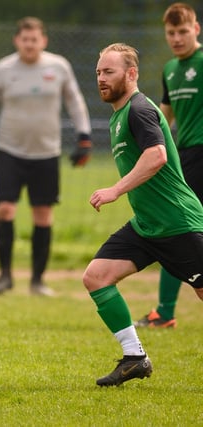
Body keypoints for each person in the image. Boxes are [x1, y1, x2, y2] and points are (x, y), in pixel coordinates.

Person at [87, 42, 203, 387]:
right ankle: (135, 357)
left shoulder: (138, 109)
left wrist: (115, 190)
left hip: (177, 223)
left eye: (109, 72)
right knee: (96, 277)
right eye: (98, 73)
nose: (101, 79)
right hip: (147, 227)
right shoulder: (119, 115)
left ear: (131, 73)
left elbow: (157, 156)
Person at [0, 16, 92, 296]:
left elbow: (75, 102)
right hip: (9, 151)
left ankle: (38, 281)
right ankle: (4, 276)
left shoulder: (59, 66)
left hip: (46, 153)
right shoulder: (2, 69)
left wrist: (84, 137)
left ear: (44, 40)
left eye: (35, 39)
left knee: (43, 214)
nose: (30, 44)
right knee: (5, 209)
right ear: (17, 41)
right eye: (25, 39)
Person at [135, 2, 203, 329]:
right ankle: (164, 311)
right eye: (171, 33)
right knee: (176, 229)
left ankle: (164, 311)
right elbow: (166, 113)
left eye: (183, 31)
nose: (176, 38)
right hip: (187, 157)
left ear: (196, 29)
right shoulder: (170, 70)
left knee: (177, 231)